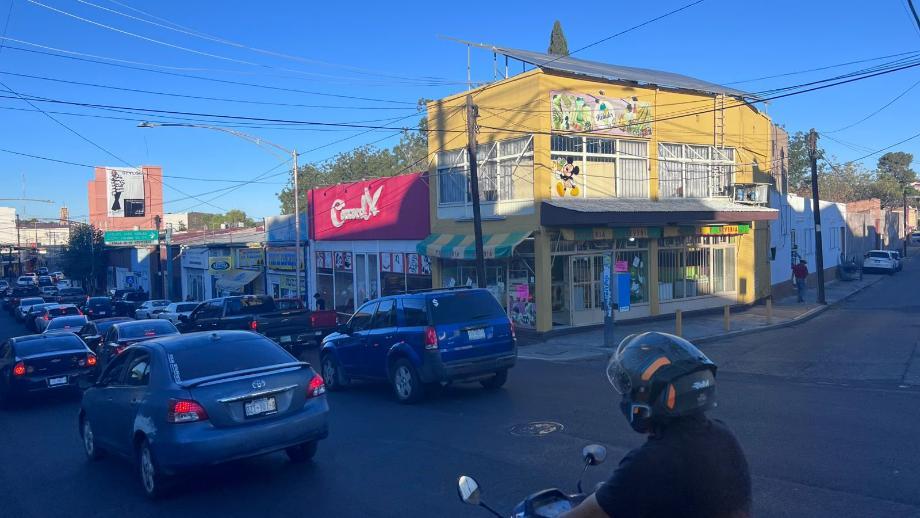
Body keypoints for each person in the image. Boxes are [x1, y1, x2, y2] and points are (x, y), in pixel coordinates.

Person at [562, 332, 752, 518]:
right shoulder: (724, 436)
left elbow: (587, 513)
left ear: (649, 398)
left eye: (630, 391)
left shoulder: (648, 463)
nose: (626, 398)